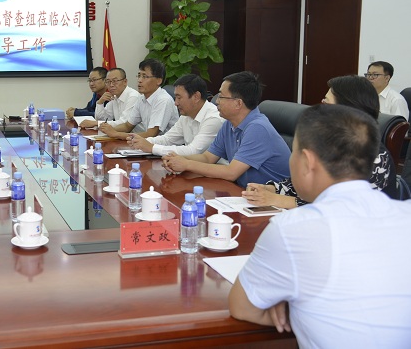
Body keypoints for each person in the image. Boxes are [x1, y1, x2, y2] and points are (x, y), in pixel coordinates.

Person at [229, 104, 411, 347]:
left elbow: (242, 307)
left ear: (307, 161)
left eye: (293, 152)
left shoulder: (292, 228)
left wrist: (298, 310)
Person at [243, 75, 397, 207]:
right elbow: (307, 180)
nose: (321, 107)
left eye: (326, 102)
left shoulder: (375, 157)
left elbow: (340, 206)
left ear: (345, 109)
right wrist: (272, 189)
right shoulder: (328, 139)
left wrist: (278, 200)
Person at [162, 71, 290, 188]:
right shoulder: (229, 124)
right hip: (246, 192)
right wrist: (178, 158)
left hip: (274, 198)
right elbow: (207, 158)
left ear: (238, 103)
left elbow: (231, 173)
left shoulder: (258, 128)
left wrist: (187, 164)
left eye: (221, 97)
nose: (217, 101)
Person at [127, 74, 223, 156]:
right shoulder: (186, 115)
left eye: (179, 98)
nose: (175, 103)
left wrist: (152, 147)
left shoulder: (213, 119)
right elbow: (168, 139)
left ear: (196, 97)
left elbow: (193, 151)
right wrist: (143, 142)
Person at [99, 59, 179, 140]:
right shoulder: (142, 98)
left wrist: (115, 134)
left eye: (144, 76)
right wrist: (108, 130)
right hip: (149, 144)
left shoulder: (163, 100)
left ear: (158, 80)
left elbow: (151, 134)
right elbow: (127, 126)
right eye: (139, 75)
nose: (139, 80)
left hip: (165, 146)